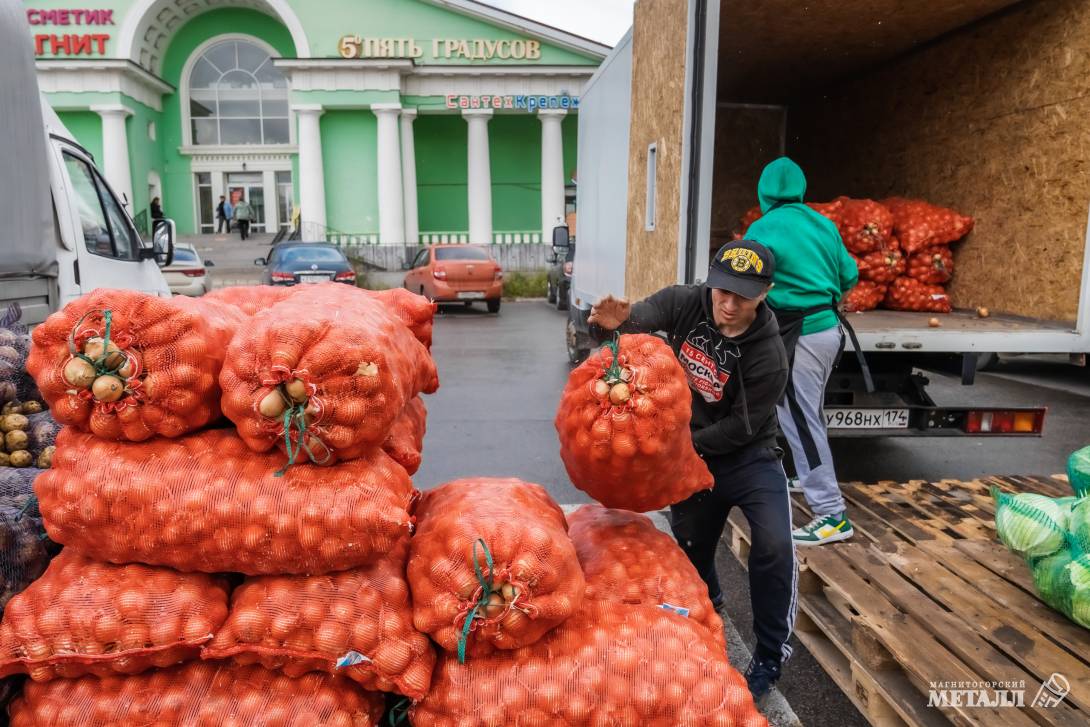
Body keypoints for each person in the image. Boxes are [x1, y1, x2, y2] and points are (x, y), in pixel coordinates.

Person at [588, 241, 795, 700]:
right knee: (692, 552)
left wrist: (669, 444)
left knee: (775, 546)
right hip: (692, 453)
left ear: (765, 293)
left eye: (742, 294)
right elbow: (632, 324)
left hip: (749, 456)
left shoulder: (769, 355)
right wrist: (610, 325)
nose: (729, 303)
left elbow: (740, 429)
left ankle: (769, 653)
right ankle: (712, 600)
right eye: (723, 290)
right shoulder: (687, 302)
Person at [744, 157, 861, 546]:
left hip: (799, 338)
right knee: (807, 413)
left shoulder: (762, 228)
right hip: (828, 332)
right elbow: (849, 275)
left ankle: (831, 515)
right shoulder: (823, 223)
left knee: (800, 418)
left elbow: (749, 281)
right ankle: (807, 477)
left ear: (764, 193)